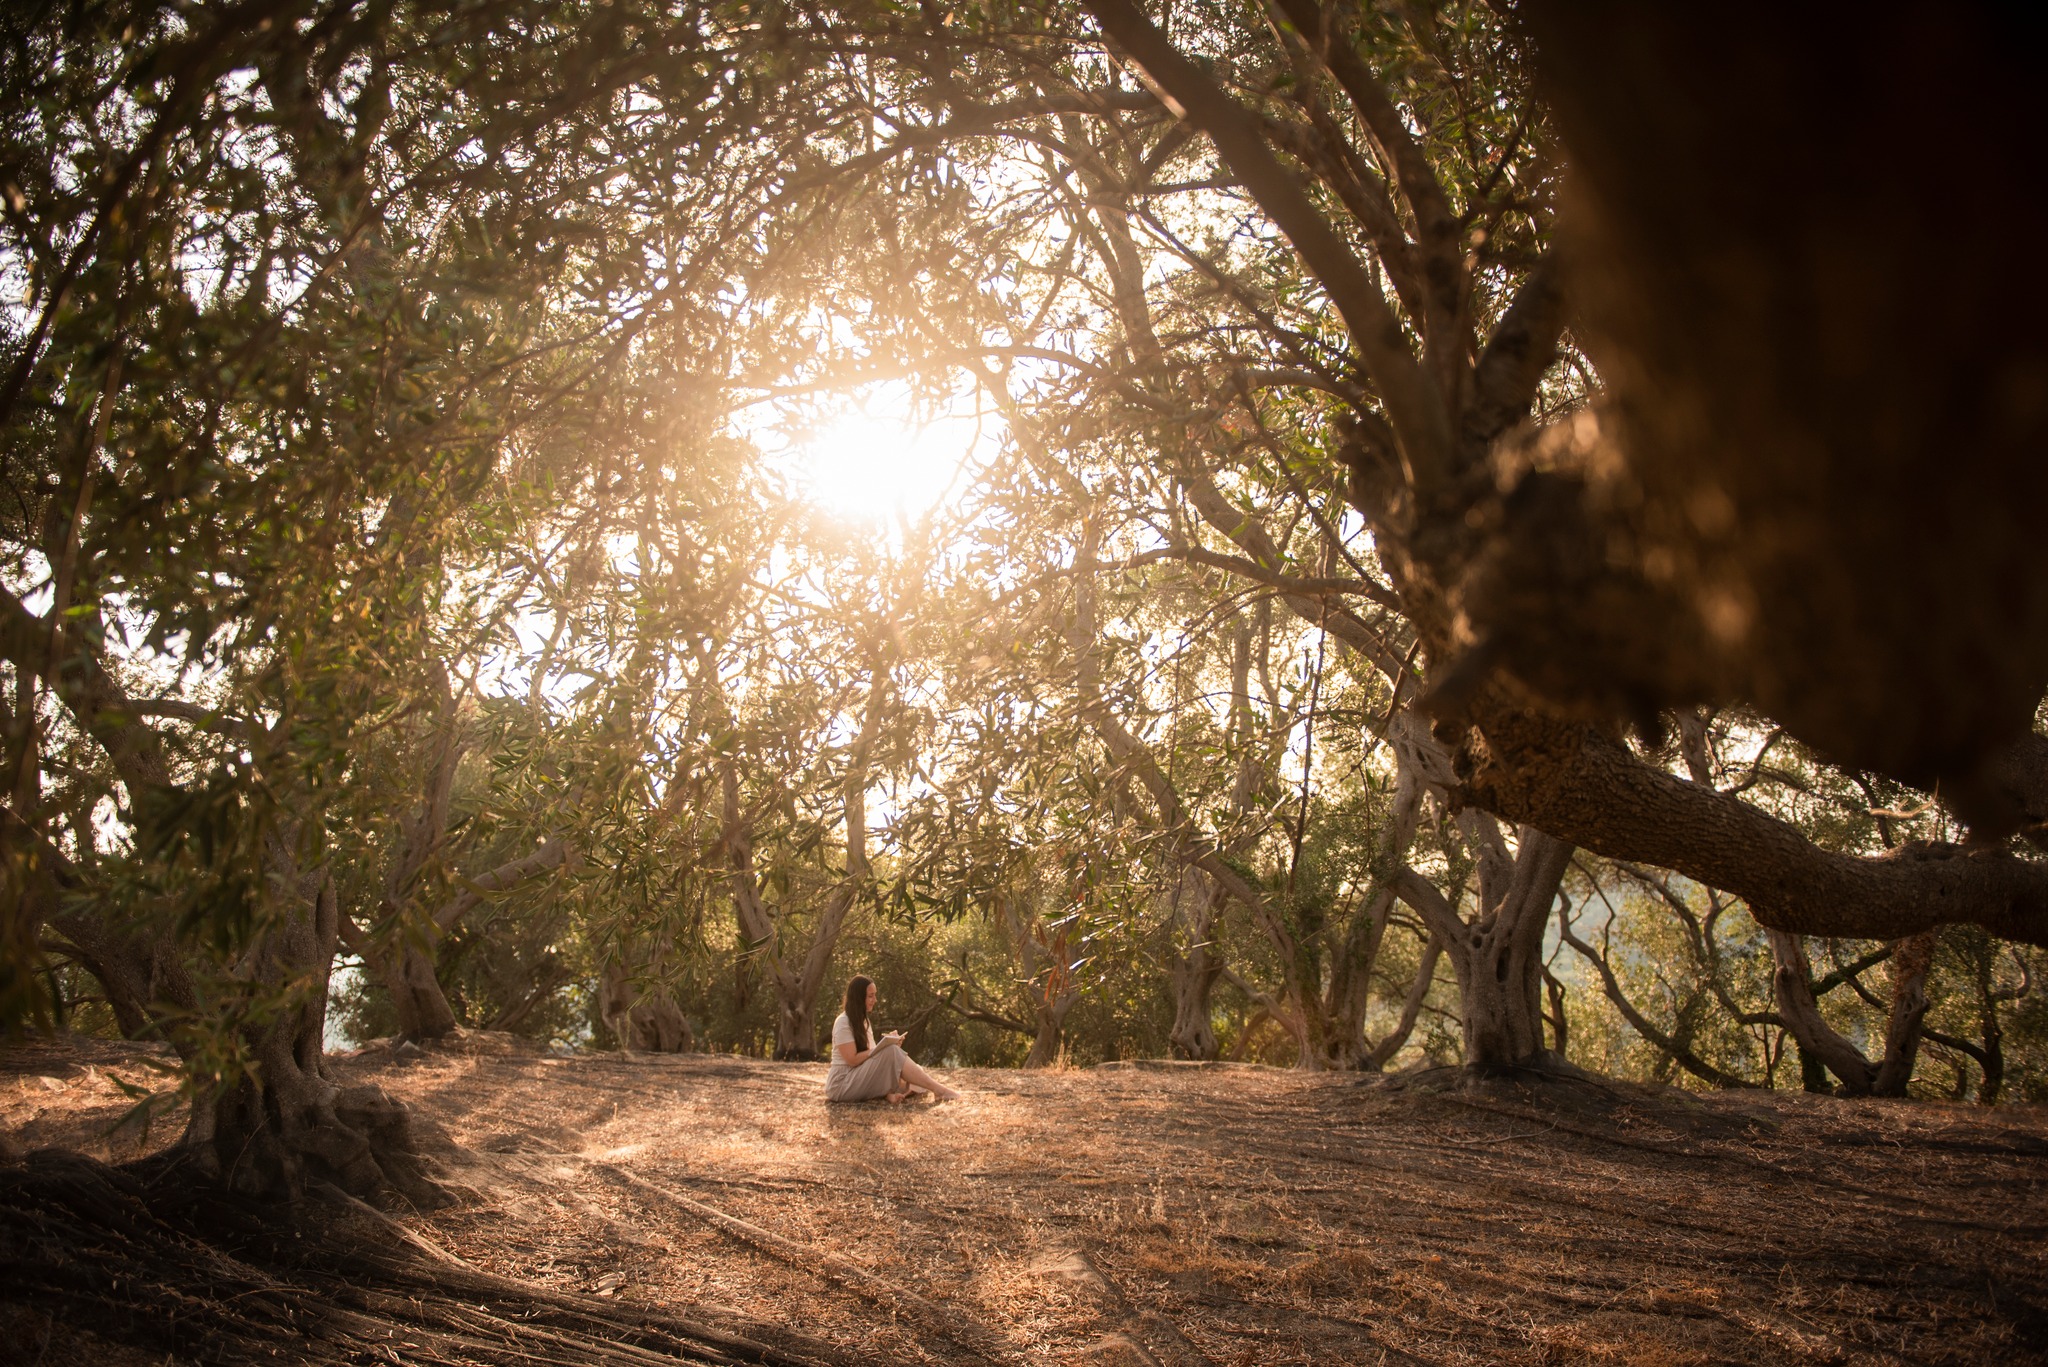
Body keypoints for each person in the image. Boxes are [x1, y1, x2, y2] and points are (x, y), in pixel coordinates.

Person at [825, 975, 961, 1103]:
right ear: (859, 998)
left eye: (875, 995)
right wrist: (882, 1049)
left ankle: (890, 1093)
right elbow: (852, 1059)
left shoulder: (864, 1021)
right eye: (871, 996)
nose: (875, 1000)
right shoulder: (843, 1022)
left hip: (857, 1076)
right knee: (895, 1057)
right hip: (842, 1083)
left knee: (914, 1071)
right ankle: (939, 1090)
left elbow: (870, 1056)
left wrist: (889, 1044)